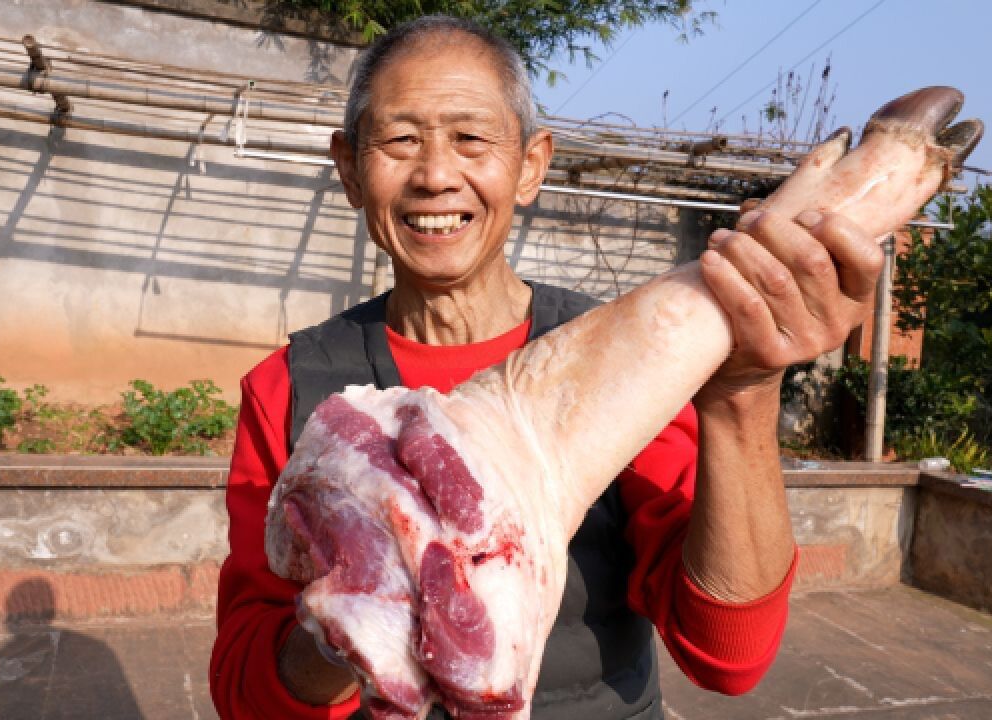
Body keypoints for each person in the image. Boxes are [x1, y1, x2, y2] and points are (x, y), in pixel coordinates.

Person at [210, 15, 883, 720]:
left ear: (531, 165)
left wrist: (743, 395)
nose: (437, 175)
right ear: (349, 167)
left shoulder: (623, 355)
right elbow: (245, 694)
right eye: (400, 140)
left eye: (471, 139)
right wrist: (350, 622)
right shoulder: (293, 385)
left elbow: (729, 653)